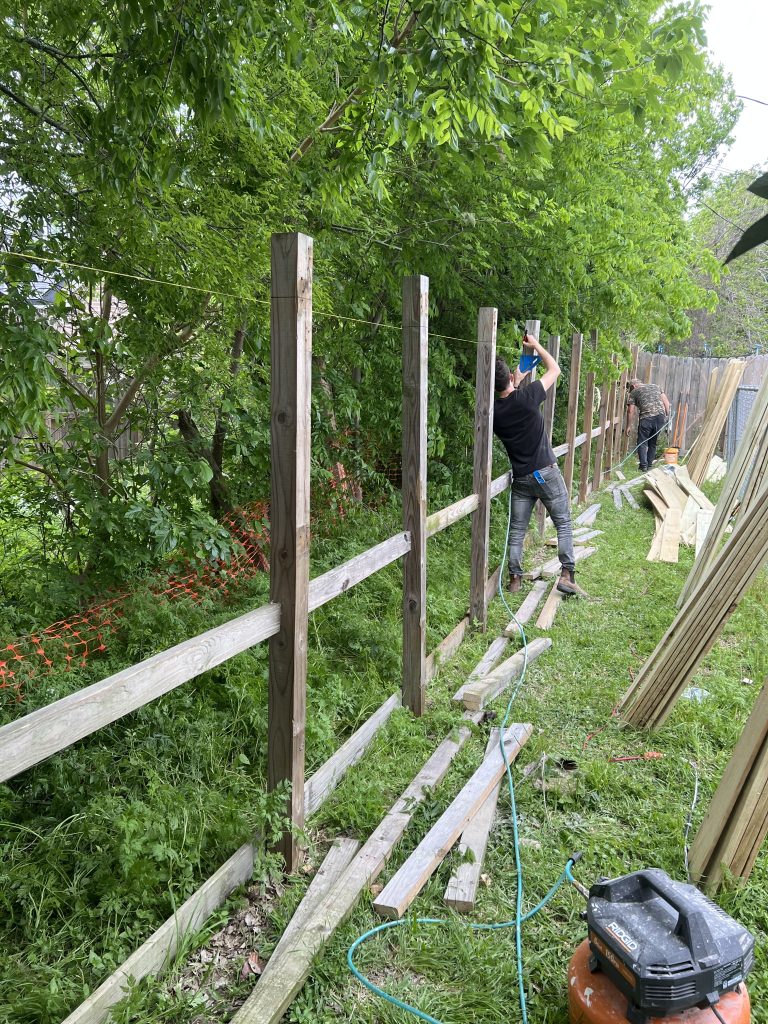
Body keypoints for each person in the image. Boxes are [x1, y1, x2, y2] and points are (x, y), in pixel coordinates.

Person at [493, 335, 579, 596]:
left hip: (521, 480)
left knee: (517, 530)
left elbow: (507, 397)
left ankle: (515, 580)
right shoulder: (528, 398)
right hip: (545, 473)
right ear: (510, 379)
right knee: (563, 522)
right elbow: (555, 369)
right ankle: (567, 574)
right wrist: (537, 347)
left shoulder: (493, 412)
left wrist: (513, 380)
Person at [625, 378, 670, 472]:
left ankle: (643, 466)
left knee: (642, 442)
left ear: (633, 386)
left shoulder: (634, 392)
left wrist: (628, 426)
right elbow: (666, 402)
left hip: (647, 418)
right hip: (660, 417)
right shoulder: (656, 386)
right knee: (653, 442)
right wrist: (666, 415)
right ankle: (649, 465)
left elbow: (630, 411)